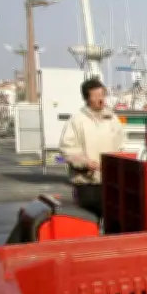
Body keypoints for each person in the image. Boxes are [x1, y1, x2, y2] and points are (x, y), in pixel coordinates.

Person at [59, 78, 125, 219]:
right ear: (87, 99)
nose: (101, 100)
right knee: (89, 223)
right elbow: (67, 149)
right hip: (87, 185)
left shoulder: (113, 119)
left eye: (102, 95)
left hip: (112, 184)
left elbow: (122, 146)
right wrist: (84, 162)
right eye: (96, 96)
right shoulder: (77, 121)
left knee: (114, 222)